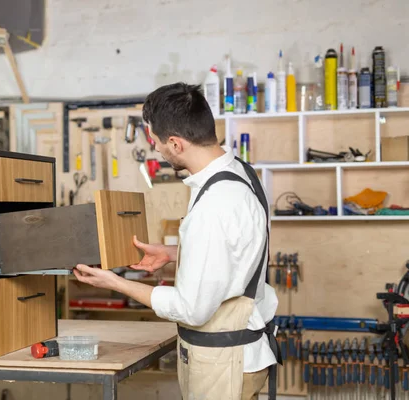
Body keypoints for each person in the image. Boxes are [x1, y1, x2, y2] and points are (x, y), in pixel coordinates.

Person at [73, 82, 281, 400]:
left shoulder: (214, 203)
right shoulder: (241, 174)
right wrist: (174, 253)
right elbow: (236, 249)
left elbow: (191, 309)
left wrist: (116, 283)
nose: (156, 150)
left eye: (157, 143)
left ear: (176, 143)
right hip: (241, 355)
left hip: (223, 364)